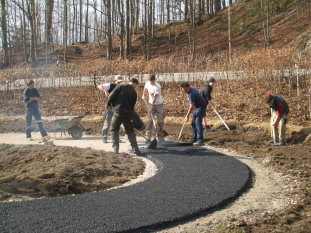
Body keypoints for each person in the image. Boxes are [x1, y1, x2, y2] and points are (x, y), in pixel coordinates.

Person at [106, 78, 142, 155]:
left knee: (114, 130)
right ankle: (135, 148)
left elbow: (112, 94)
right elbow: (132, 107)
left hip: (118, 113)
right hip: (127, 114)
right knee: (130, 131)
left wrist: (108, 104)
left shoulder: (121, 86)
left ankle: (116, 149)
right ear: (134, 84)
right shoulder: (134, 93)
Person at [97, 76, 123, 143]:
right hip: (109, 107)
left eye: (120, 82)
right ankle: (104, 137)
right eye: (118, 81)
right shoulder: (110, 85)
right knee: (107, 122)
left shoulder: (121, 87)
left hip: (117, 108)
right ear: (115, 80)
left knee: (116, 123)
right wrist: (105, 91)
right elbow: (99, 86)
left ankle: (115, 138)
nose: (119, 83)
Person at [142, 74, 165, 144]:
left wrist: (151, 107)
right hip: (150, 103)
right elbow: (145, 88)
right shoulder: (148, 83)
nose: (151, 83)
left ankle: (160, 137)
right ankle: (148, 137)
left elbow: (155, 98)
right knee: (149, 121)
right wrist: (143, 95)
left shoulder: (157, 86)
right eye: (150, 81)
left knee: (160, 121)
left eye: (152, 81)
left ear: (154, 80)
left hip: (158, 104)